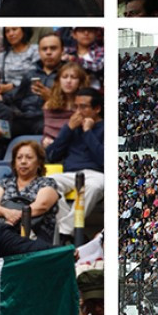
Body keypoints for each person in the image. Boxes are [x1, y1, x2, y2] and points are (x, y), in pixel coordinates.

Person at [45, 87, 104, 240]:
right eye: (76, 107)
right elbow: (51, 155)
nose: (78, 112)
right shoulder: (71, 128)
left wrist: (88, 132)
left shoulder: (105, 128)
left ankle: (65, 232)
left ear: (96, 109)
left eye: (83, 107)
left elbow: (104, 160)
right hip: (70, 173)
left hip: (96, 174)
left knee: (94, 186)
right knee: (47, 183)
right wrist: (68, 129)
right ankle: (69, 230)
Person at [0, 140, 60, 242]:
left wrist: (15, 215)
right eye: (19, 158)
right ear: (14, 163)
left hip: (36, 237)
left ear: (39, 163)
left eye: (29, 157)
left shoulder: (47, 183)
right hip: (4, 235)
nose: (23, 161)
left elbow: (41, 206)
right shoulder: (4, 183)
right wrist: (7, 213)